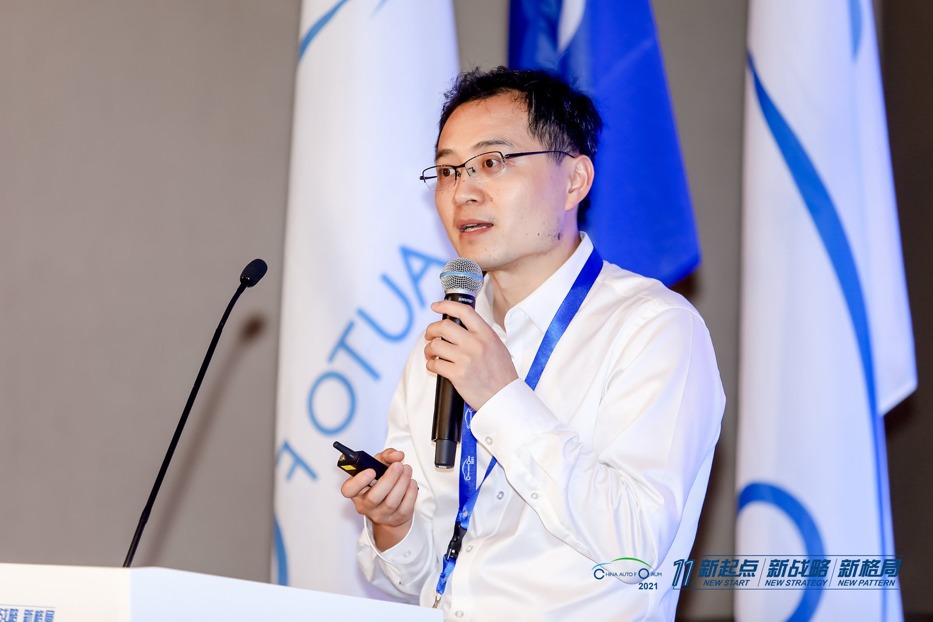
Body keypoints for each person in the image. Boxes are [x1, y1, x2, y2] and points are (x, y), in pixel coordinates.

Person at [340, 66, 725, 621]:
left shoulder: (654, 328)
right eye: (447, 170)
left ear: (574, 181)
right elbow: (427, 581)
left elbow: (637, 543)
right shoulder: (447, 340)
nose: (463, 191)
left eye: (492, 162)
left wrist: (501, 398)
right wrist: (393, 524)